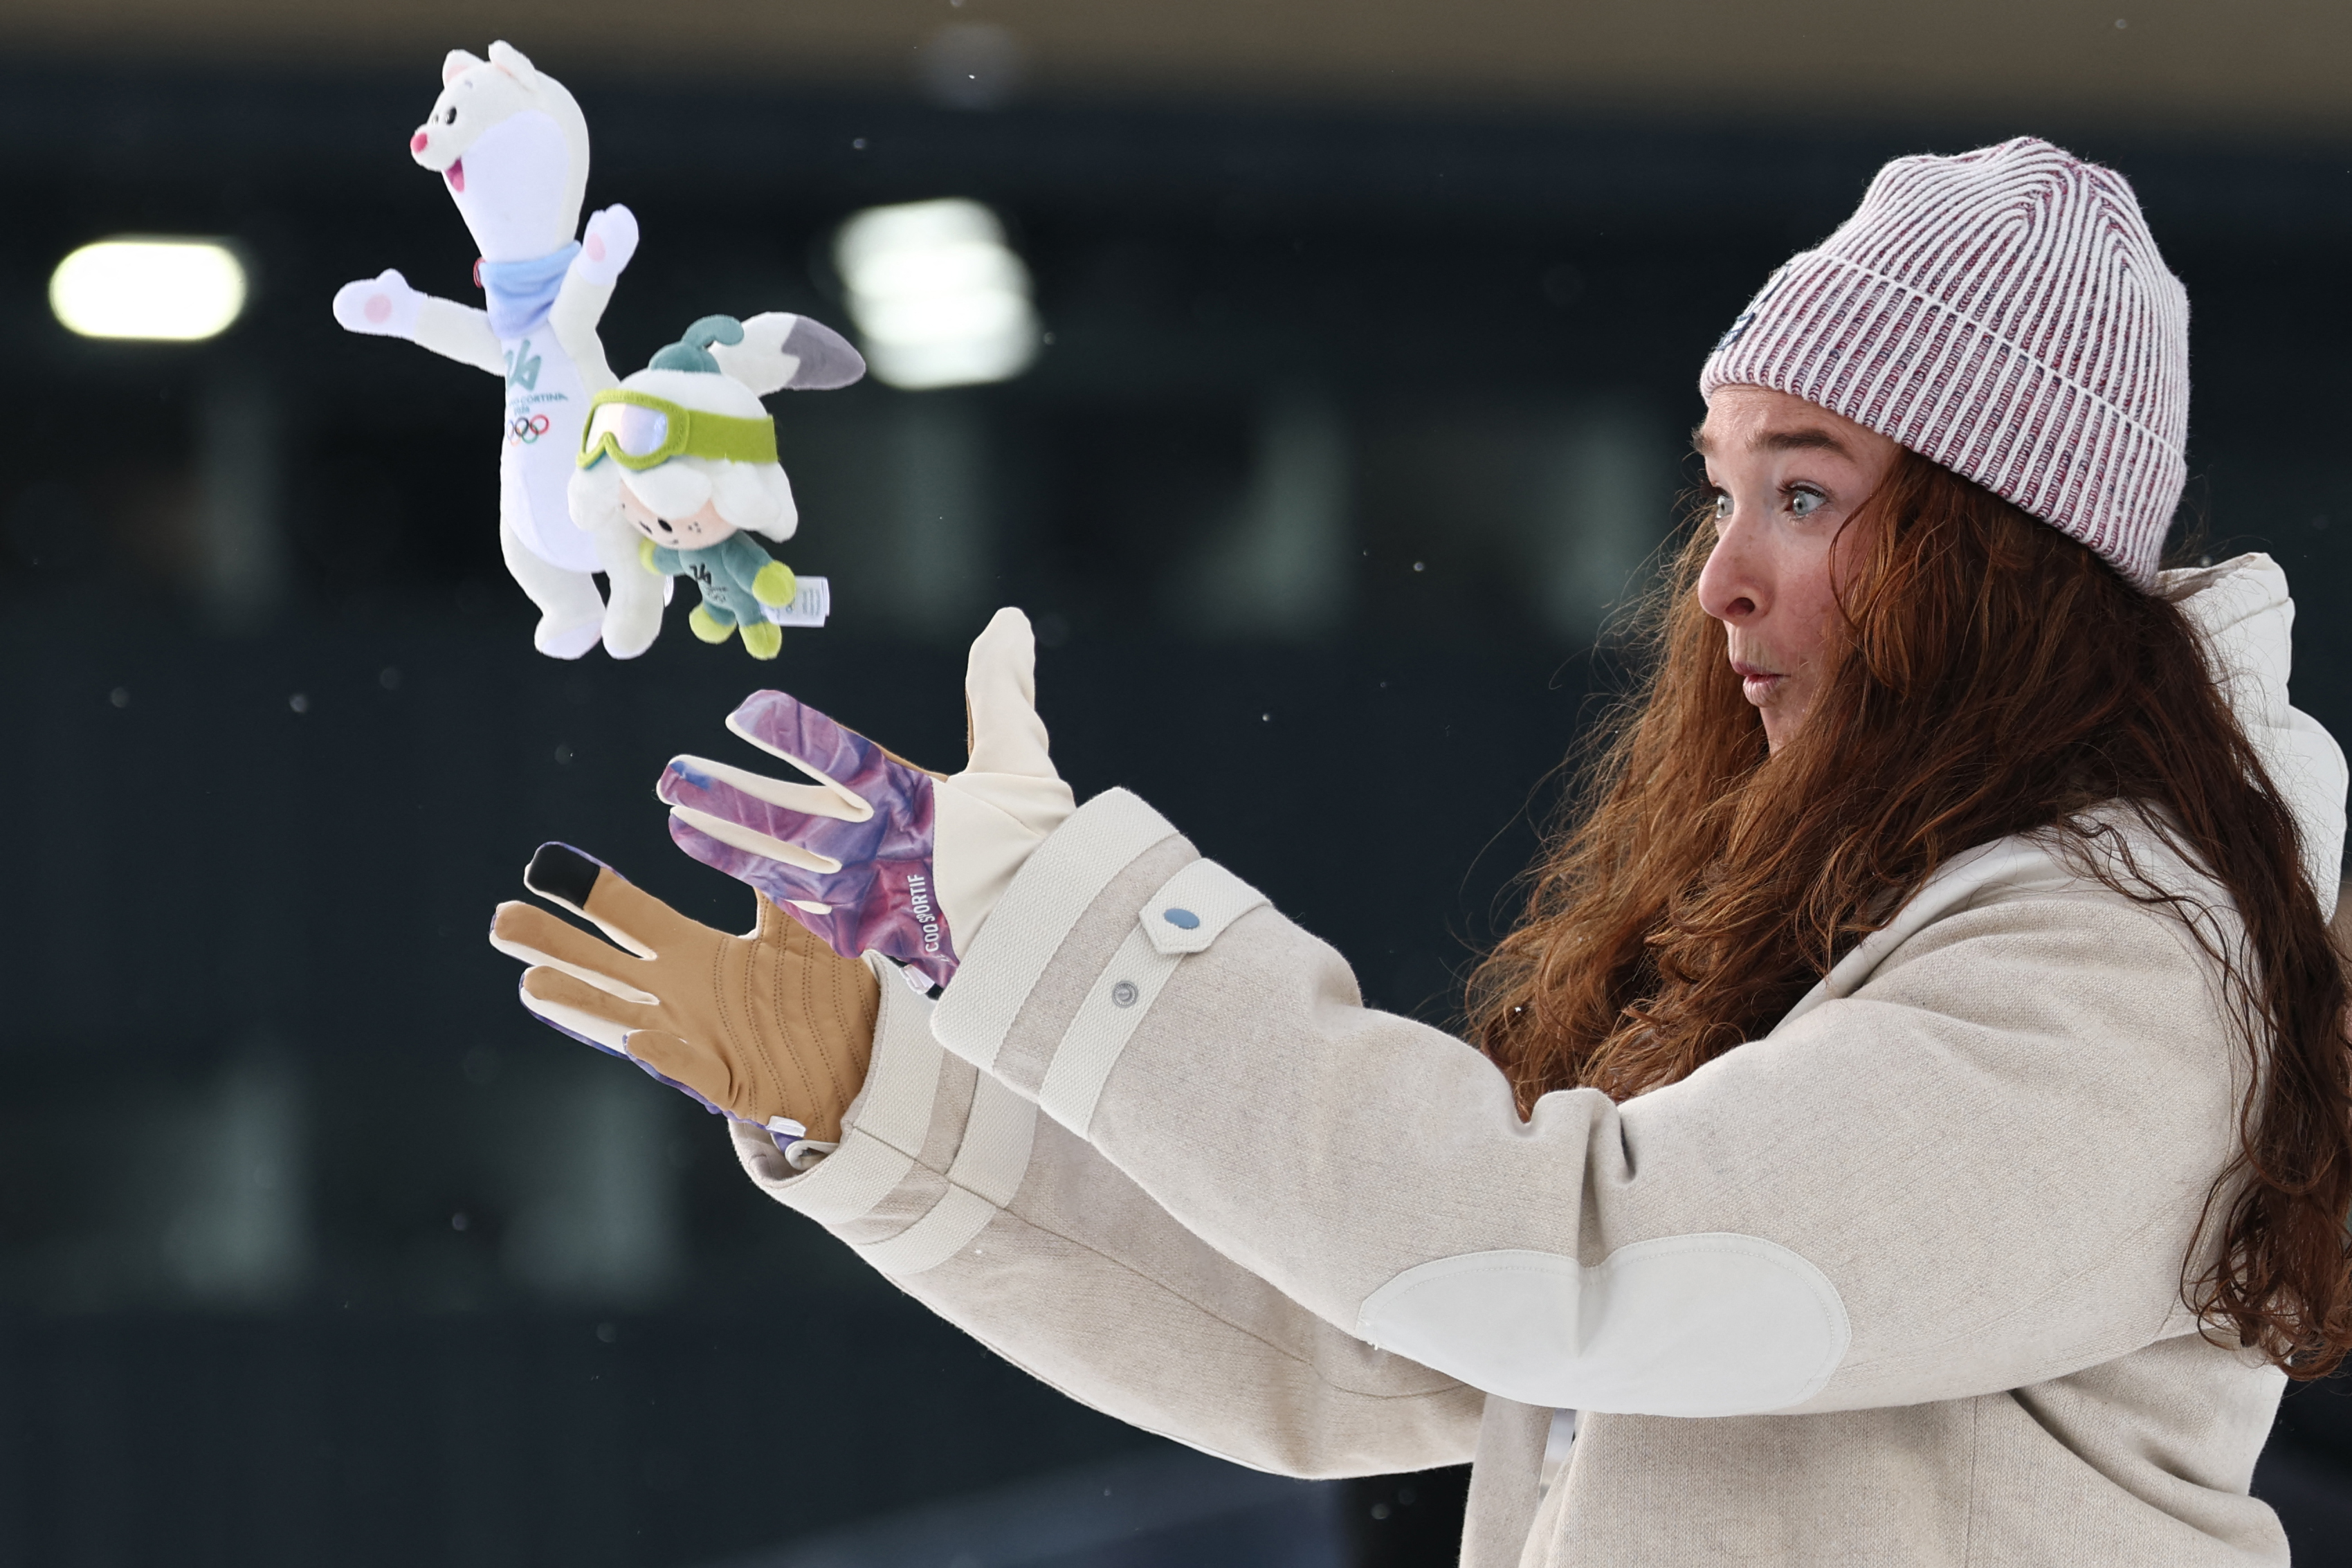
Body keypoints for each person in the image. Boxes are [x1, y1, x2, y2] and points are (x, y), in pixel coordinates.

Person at [489, 138, 2352, 1566]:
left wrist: (1062, 919)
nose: (1717, 576)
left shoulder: (2130, 960)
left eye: (1807, 490)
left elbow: (1575, 1259)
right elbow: (1366, 1338)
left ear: (1998, 563)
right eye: (1721, 490)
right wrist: (893, 1090)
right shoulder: (1906, 926)